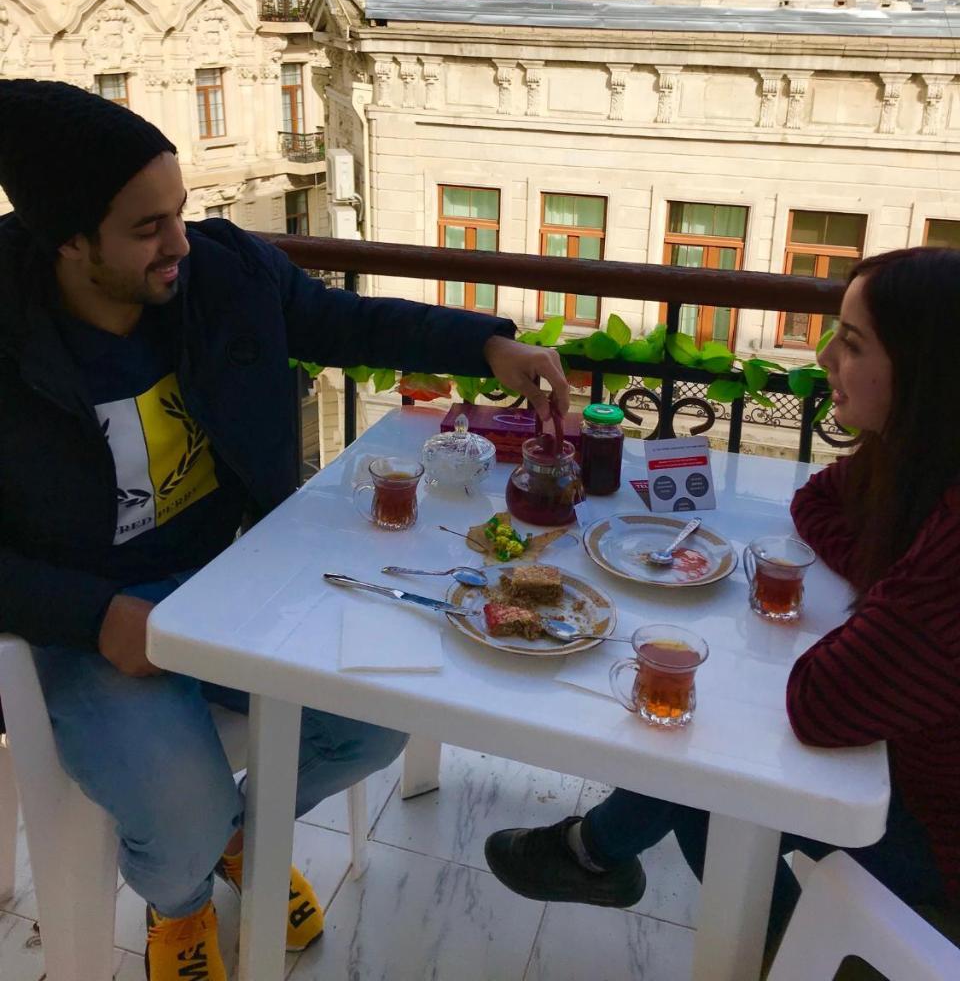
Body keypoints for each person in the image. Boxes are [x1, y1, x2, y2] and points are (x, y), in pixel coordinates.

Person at [0, 79, 569, 981]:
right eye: (148, 229)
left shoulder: (219, 270)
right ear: (68, 241)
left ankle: (238, 837)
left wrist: (486, 345)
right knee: (177, 806)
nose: (180, 244)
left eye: (180, 212)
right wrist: (91, 615)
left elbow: (339, 318)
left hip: (235, 580)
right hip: (91, 620)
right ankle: (181, 895)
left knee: (379, 717)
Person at [485, 246, 960, 954]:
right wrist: (895, 582)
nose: (826, 356)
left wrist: (900, 596)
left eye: (853, 343)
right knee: (709, 734)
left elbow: (822, 703)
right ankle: (591, 853)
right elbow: (819, 500)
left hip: (936, 844)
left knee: (715, 765)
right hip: (909, 761)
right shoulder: (920, 452)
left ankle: (795, 950)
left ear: (926, 370)